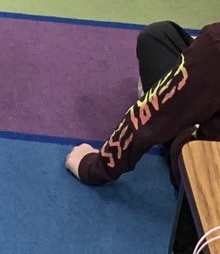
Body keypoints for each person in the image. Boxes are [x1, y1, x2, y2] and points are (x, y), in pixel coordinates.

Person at [65, 21, 220, 188]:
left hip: (209, 181)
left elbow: (152, 113)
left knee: (170, 100)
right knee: (159, 36)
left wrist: (94, 168)